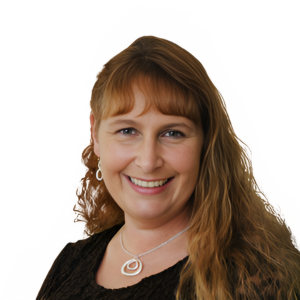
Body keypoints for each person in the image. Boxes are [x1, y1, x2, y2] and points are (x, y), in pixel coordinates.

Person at [36, 36, 300, 300]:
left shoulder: (256, 279)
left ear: (206, 142)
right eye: (127, 130)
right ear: (95, 135)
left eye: (173, 133)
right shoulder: (70, 263)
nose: (148, 162)